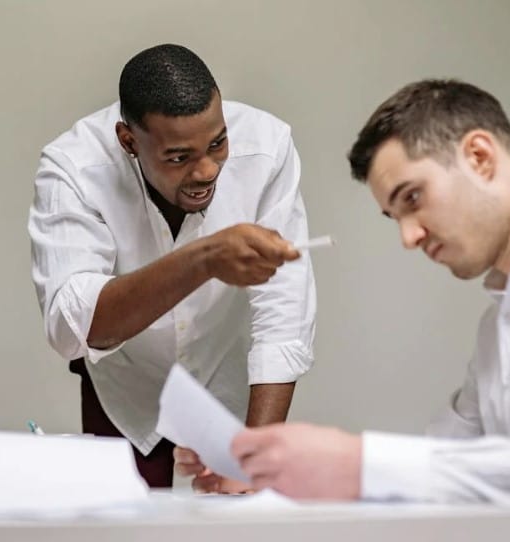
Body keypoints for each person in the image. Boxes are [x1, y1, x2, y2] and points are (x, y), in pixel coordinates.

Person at [211, 79, 510, 533]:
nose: (409, 237)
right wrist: (277, 463)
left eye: (412, 198)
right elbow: (446, 463)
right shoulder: (498, 327)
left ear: (480, 157)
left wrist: (357, 464)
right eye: (396, 217)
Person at [28, 44, 317, 489]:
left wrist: (254, 460)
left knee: (238, 511)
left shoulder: (267, 147)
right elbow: (70, 327)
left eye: (218, 144)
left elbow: (284, 313)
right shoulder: (74, 168)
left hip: (227, 369)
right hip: (126, 386)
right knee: (125, 518)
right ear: (128, 141)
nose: (206, 171)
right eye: (179, 157)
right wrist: (204, 258)